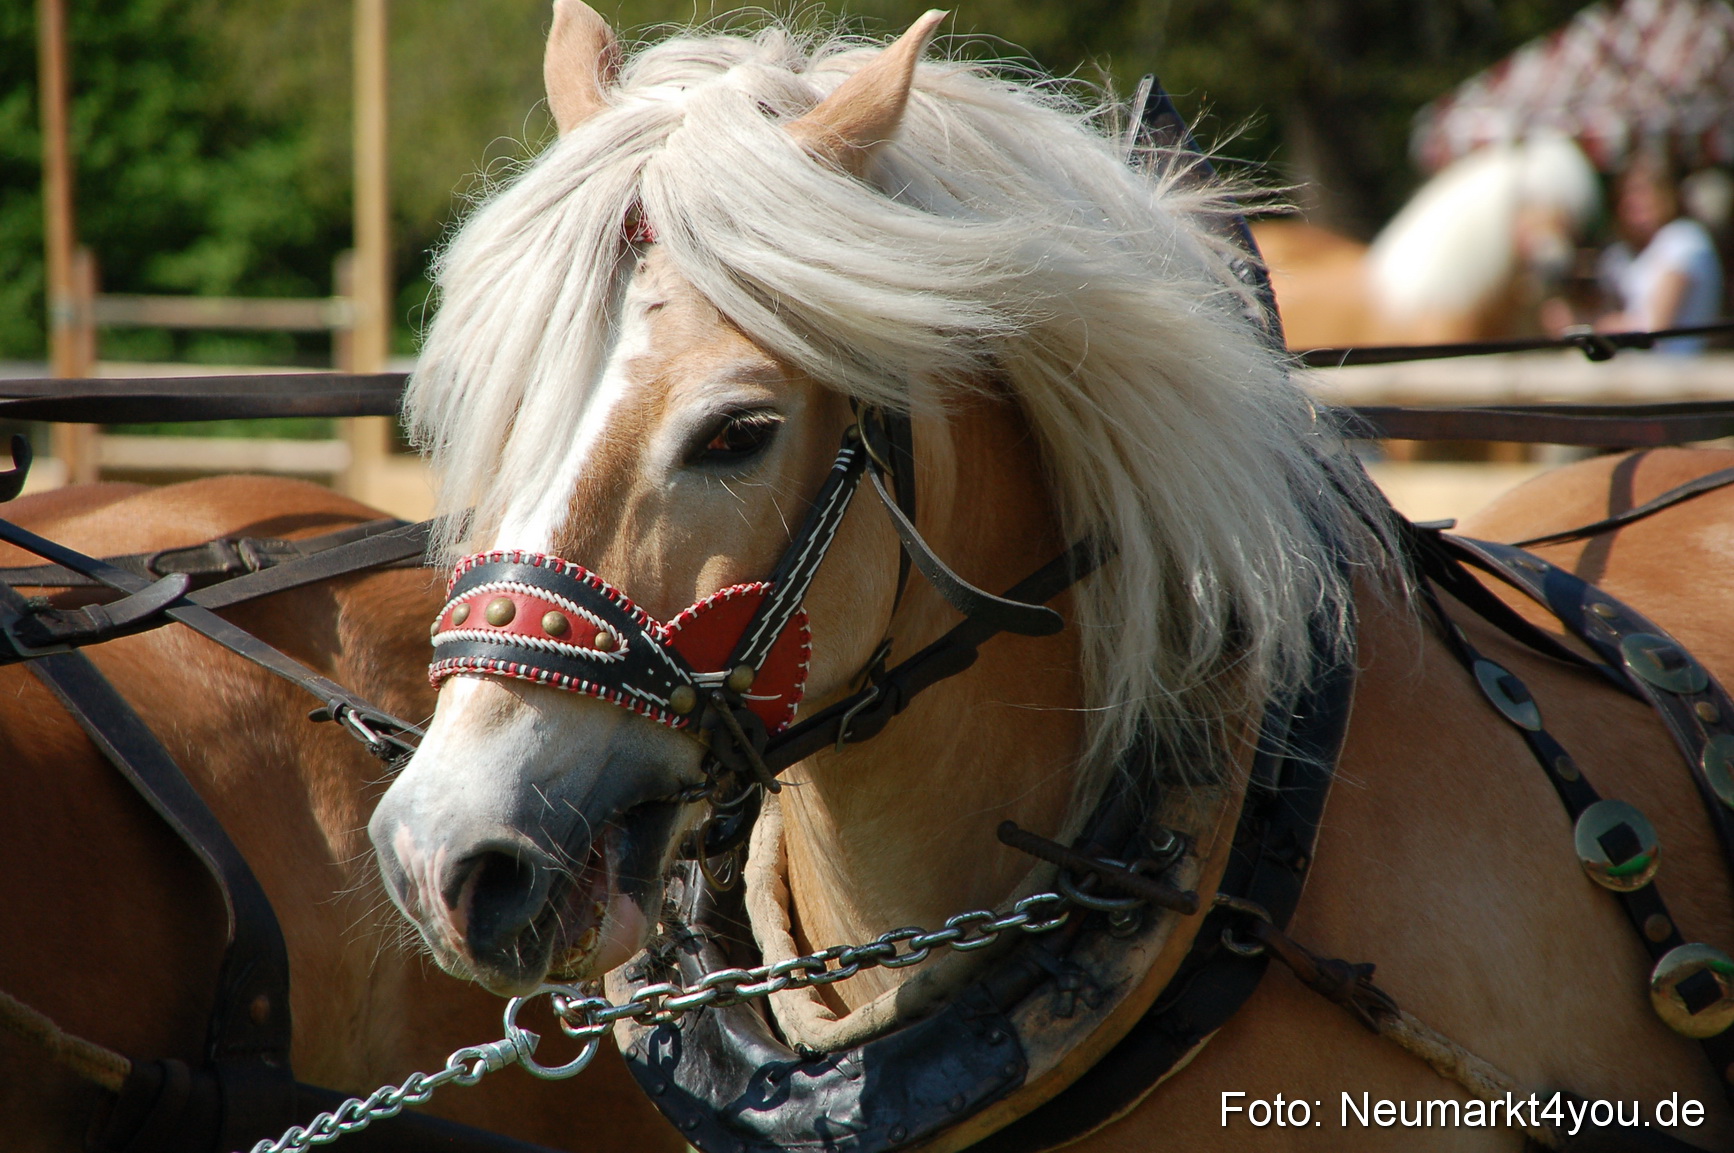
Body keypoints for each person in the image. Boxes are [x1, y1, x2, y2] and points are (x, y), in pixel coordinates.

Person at [1597, 150, 1724, 354]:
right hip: (1641, 373)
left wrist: (1602, 327)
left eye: (1642, 192)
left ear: (1666, 194)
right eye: (1628, 194)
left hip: (1679, 374)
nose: (1634, 202)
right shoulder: (1626, 252)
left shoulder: (1684, 239)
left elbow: (1656, 327)